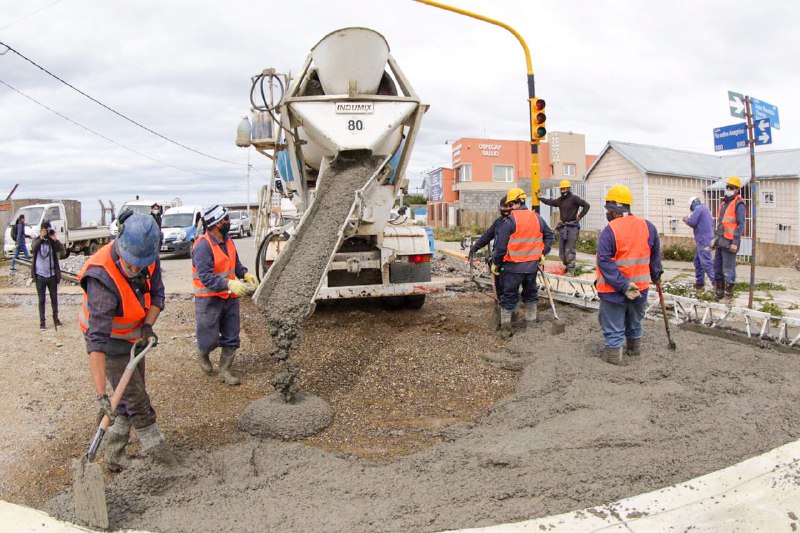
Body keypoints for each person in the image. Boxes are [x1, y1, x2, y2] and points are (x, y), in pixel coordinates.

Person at [77, 212, 177, 471]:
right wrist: (101, 395)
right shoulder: (102, 278)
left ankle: (114, 454)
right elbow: (96, 341)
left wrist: (147, 326)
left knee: (126, 398)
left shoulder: (149, 259)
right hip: (109, 341)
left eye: (139, 265)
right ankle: (163, 460)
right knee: (137, 400)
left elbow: (158, 296)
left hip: (134, 335)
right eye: (130, 264)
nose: (135, 269)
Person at [595, 185, 662, 366]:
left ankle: (614, 362)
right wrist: (656, 276)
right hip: (640, 289)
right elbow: (655, 256)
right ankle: (634, 353)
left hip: (613, 291)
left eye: (608, 210)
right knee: (634, 323)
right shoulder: (648, 226)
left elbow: (604, 261)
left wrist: (624, 285)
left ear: (615, 210)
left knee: (614, 328)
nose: (607, 214)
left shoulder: (610, 231)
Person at [192, 205, 256, 385]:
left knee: (231, 335)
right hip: (208, 300)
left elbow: (235, 264)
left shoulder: (229, 241)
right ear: (216, 223)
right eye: (226, 219)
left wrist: (244, 274)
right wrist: (229, 283)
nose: (229, 222)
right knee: (209, 337)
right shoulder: (202, 246)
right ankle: (203, 352)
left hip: (229, 298)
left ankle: (225, 371)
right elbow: (205, 277)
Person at [492, 188, 555, 333]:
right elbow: (549, 236)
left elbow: (501, 247)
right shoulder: (536, 217)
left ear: (514, 203)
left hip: (513, 267)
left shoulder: (510, 221)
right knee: (531, 295)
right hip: (532, 267)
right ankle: (531, 326)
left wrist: (496, 262)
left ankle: (506, 327)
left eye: (510, 204)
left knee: (508, 296)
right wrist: (543, 253)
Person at [537, 180, 590, 275]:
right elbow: (550, 202)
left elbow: (586, 205)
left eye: (564, 188)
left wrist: (580, 216)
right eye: (561, 189)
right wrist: (541, 199)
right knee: (561, 251)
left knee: (570, 250)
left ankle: (570, 270)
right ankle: (566, 267)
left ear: (569, 189)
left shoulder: (574, 198)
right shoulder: (560, 200)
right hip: (563, 227)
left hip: (572, 227)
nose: (563, 190)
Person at [713, 175, 746, 301]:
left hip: (730, 242)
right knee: (717, 268)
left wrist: (735, 242)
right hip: (720, 241)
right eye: (727, 187)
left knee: (728, 268)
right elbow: (721, 223)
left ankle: (729, 293)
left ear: (737, 189)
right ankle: (719, 292)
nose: (728, 189)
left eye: (731, 187)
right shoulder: (724, 203)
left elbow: (740, 224)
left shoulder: (739, 204)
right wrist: (715, 239)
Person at [31, 220, 65, 330]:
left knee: (54, 299)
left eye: (48, 229)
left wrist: (55, 239)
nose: (47, 232)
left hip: (52, 275)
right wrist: (41, 237)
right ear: (41, 230)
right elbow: (33, 248)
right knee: (41, 300)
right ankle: (42, 322)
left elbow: (62, 251)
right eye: (45, 230)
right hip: (40, 275)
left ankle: (56, 319)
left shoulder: (52, 242)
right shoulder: (37, 240)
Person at [682, 196, 714, 290]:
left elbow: (692, 222)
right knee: (698, 261)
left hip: (703, 240)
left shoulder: (699, 209)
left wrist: (686, 219)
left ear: (692, 204)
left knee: (706, 262)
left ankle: (715, 283)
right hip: (705, 238)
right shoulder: (705, 209)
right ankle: (700, 282)